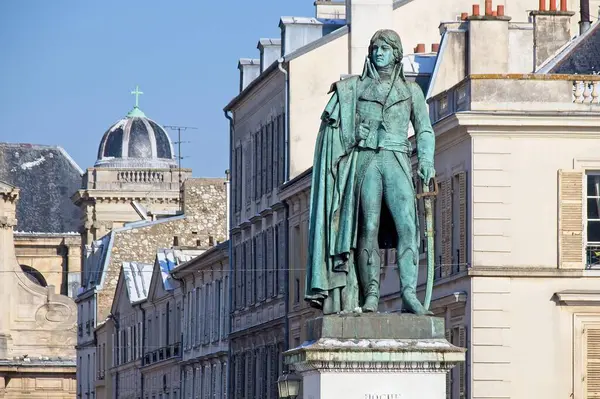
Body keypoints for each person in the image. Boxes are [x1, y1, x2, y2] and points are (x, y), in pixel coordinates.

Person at [305, 29, 436, 315]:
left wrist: (426, 160)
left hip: (397, 158)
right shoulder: (356, 90)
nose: (379, 53)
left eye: (385, 48)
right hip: (367, 162)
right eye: (375, 48)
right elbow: (334, 130)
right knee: (368, 228)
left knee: (408, 228)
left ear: (396, 53)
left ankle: (408, 293)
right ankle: (372, 294)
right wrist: (353, 133)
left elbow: (424, 129)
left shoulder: (411, 92)